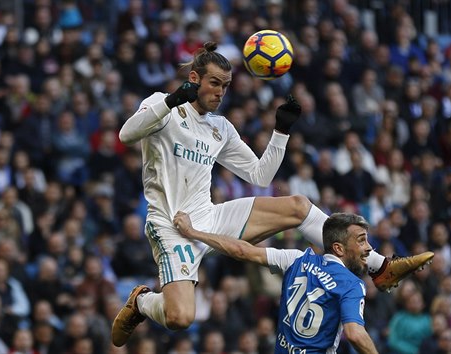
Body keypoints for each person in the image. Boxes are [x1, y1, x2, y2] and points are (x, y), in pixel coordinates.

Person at [112, 41, 434, 346]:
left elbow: (260, 175)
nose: (220, 92)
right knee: (180, 317)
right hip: (171, 225)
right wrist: (172, 99)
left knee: (297, 206)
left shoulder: (219, 127)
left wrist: (281, 131)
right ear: (194, 79)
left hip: (208, 217)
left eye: (225, 85)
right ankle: (141, 302)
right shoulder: (161, 104)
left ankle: (379, 267)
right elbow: (127, 134)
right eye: (214, 83)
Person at [174, 211, 379, 354]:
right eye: (361, 240)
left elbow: (241, 250)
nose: (369, 248)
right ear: (339, 248)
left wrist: (193, 233)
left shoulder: (296, 259)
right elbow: (354, 334)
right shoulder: (352, 285)